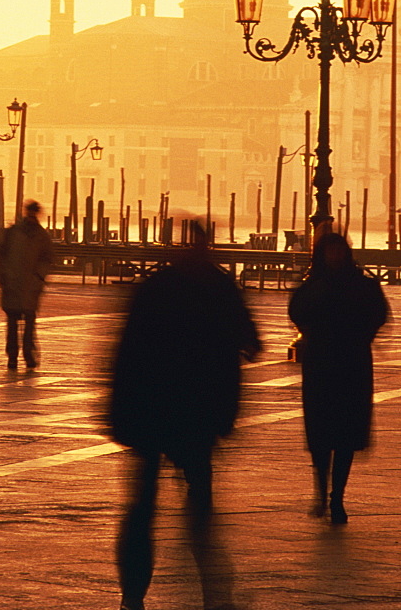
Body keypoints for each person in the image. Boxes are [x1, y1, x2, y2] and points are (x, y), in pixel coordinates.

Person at [110, 222, 261, 610]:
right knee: (198, 507)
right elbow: (251, 341)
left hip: (152, 410)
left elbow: (126, 351)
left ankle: (133, 594)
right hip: (197, 412)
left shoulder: (156, 287)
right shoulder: (220, 288)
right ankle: (213, 591)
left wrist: (120, 410)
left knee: (143, 507)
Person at [288, 231, 389, 525]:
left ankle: (337, 498)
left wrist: (364, 336)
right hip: (321, 364)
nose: (335, 256)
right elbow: (296, 311)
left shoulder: (361, 285)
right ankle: (321, 490)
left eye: (339, 251)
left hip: (352, 364)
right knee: (320, 433)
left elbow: (379, 314)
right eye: (330, 252)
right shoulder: (313, 285)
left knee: (346, 434)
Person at [0, 200, 53, 370]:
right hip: (12, 282)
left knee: (29, 321)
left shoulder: (41, 236)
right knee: (12, 321)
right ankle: (13, 355)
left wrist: (39, 276)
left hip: (31, 284)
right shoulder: (12, 233)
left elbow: (47, 258)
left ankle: (28, 353)